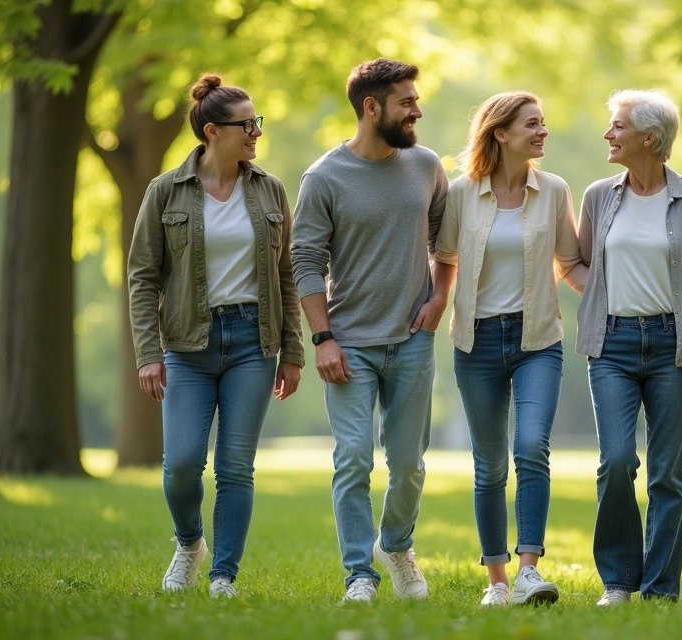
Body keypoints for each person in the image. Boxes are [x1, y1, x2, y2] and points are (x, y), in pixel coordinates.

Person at [128, 73, 304, 599]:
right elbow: (142, 276)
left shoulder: (269, 188)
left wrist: (293, 351)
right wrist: (147, 353)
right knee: (181, 465)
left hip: (253, 342)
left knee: (235, 467)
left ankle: (223, 575)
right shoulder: (165, 191)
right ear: (211, 131)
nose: (255, 131)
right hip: (186, 345)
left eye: (257, 122)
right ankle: (189, 544)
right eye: (245, 124)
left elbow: (287, 274)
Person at [290, 58, 452, 604]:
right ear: (371, 107)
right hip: (349, 345)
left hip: (412, 340)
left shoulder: (427, 166)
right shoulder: (323, 178)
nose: (417, 110)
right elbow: (305, 261)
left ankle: (397, 545)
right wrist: (322, 338)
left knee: (407, 463)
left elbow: (443, 245)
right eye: (407, 101)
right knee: (354, 456)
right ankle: (360, 572)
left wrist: (439, 300)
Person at [434, 92, 586, 607]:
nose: (542, 132)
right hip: (475, 343)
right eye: (531, 125)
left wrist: (619, 294)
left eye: (543, 123)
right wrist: (435, 303)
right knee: (490, 464)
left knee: (531, 450)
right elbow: (445, 259)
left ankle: (528, 571)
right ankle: (496, 582)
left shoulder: (555, 190)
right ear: (499, 133)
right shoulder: (461, 193)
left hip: (537, 340)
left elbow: (570, 262)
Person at [575, 89, 682, 605]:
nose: (608, 134)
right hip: (610, 342)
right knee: (615, 461)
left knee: (666, 475)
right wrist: (600, 298)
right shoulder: (598, 196)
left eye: (617, 126)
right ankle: (617, 581)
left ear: (649, 139)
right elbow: (576, 264)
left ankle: (660, 589)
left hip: (670, 345)